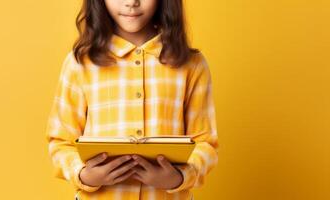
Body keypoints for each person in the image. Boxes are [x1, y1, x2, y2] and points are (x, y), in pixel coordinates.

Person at [45, 0, 219, 199]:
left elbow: (205, 143)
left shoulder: (192, 64)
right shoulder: (79, 63)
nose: (131, 2)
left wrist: (179, 177)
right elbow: (60, 141)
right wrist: (84, 175)